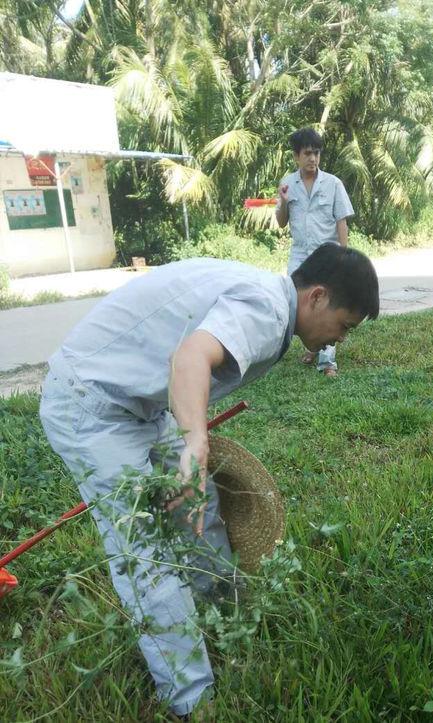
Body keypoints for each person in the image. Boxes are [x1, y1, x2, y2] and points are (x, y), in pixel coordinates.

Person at [39, 244, 379, 716]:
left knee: (200, 514)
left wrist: (187, 448)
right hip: (91, 404)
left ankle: (228, 624)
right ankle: (193, 700)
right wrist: (194, 443)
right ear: (317, 297)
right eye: (344, 326)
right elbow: (190, 358)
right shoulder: (266, 308)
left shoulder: (271, 302)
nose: (337, 340)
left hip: (141, 406)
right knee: (147, 553)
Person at [276, 127, 354, 377]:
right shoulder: (287, 184)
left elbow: (342, 221)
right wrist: (284, 202)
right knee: (297, 305)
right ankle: (313, 346)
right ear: (296, 156)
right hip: (300, 255)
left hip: (327, 254)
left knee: (327, 308)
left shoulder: (333, 184)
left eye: (317, 153)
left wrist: (344, 256)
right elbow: (280, 222)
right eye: (308, 153)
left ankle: (327, 362)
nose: (313, 159)